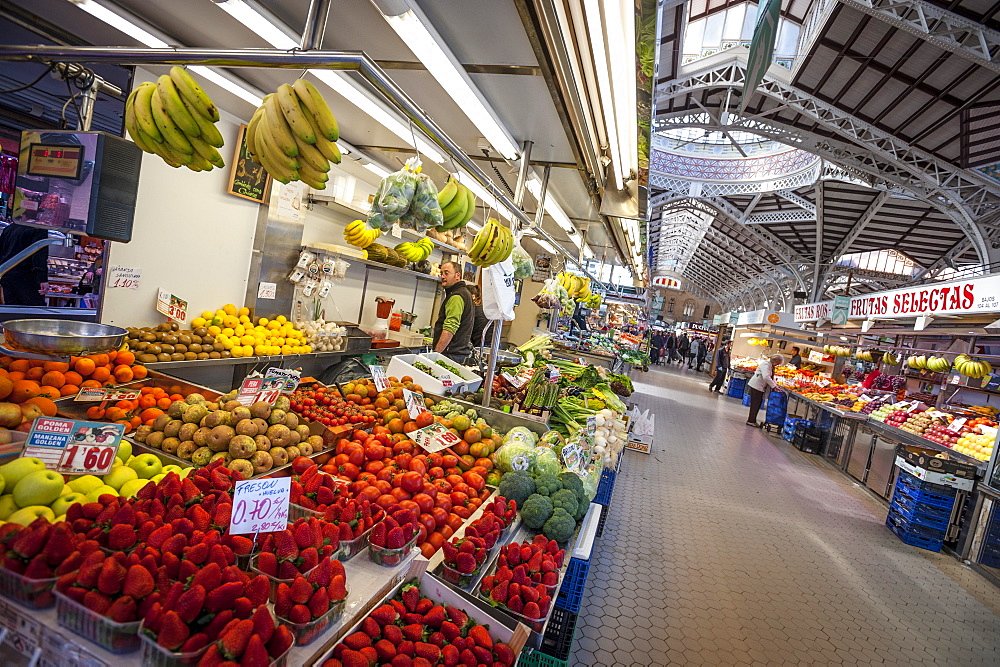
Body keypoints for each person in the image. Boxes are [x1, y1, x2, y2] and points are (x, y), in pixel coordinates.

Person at [432, 261, 476, 363]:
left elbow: (450, 328)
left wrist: (435, 354)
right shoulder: (464, 293)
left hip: (450, 355)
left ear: (457, 275)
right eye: (441, 273)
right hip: (458, 354)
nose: (442, 276)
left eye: (446, 273)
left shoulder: (457, 296)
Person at [0, 223, 49, 306]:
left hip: (7, 275)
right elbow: (39, 255)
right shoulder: (39, 228)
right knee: (34, 312)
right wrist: (42, 279)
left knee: (12, 310)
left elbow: (1, 252)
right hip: (27, 278)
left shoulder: (9, 228)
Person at [747, 354, 784, 427]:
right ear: (775, 361)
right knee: (755, 404)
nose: (777, 365)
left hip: (760, 387)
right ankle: (751, 420)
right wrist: (774, 386)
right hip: (756, 386)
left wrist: (775, 385)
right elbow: (766, 377)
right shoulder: (766, 365)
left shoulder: (770, 365)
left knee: (757, 403)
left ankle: (752, 420)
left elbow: (771, 377)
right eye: (778, 363)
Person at [467, 284, 490, 349]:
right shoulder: (483, 309)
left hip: (482, 347)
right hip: (493, 345)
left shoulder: (472, 310)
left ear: (472, 296)